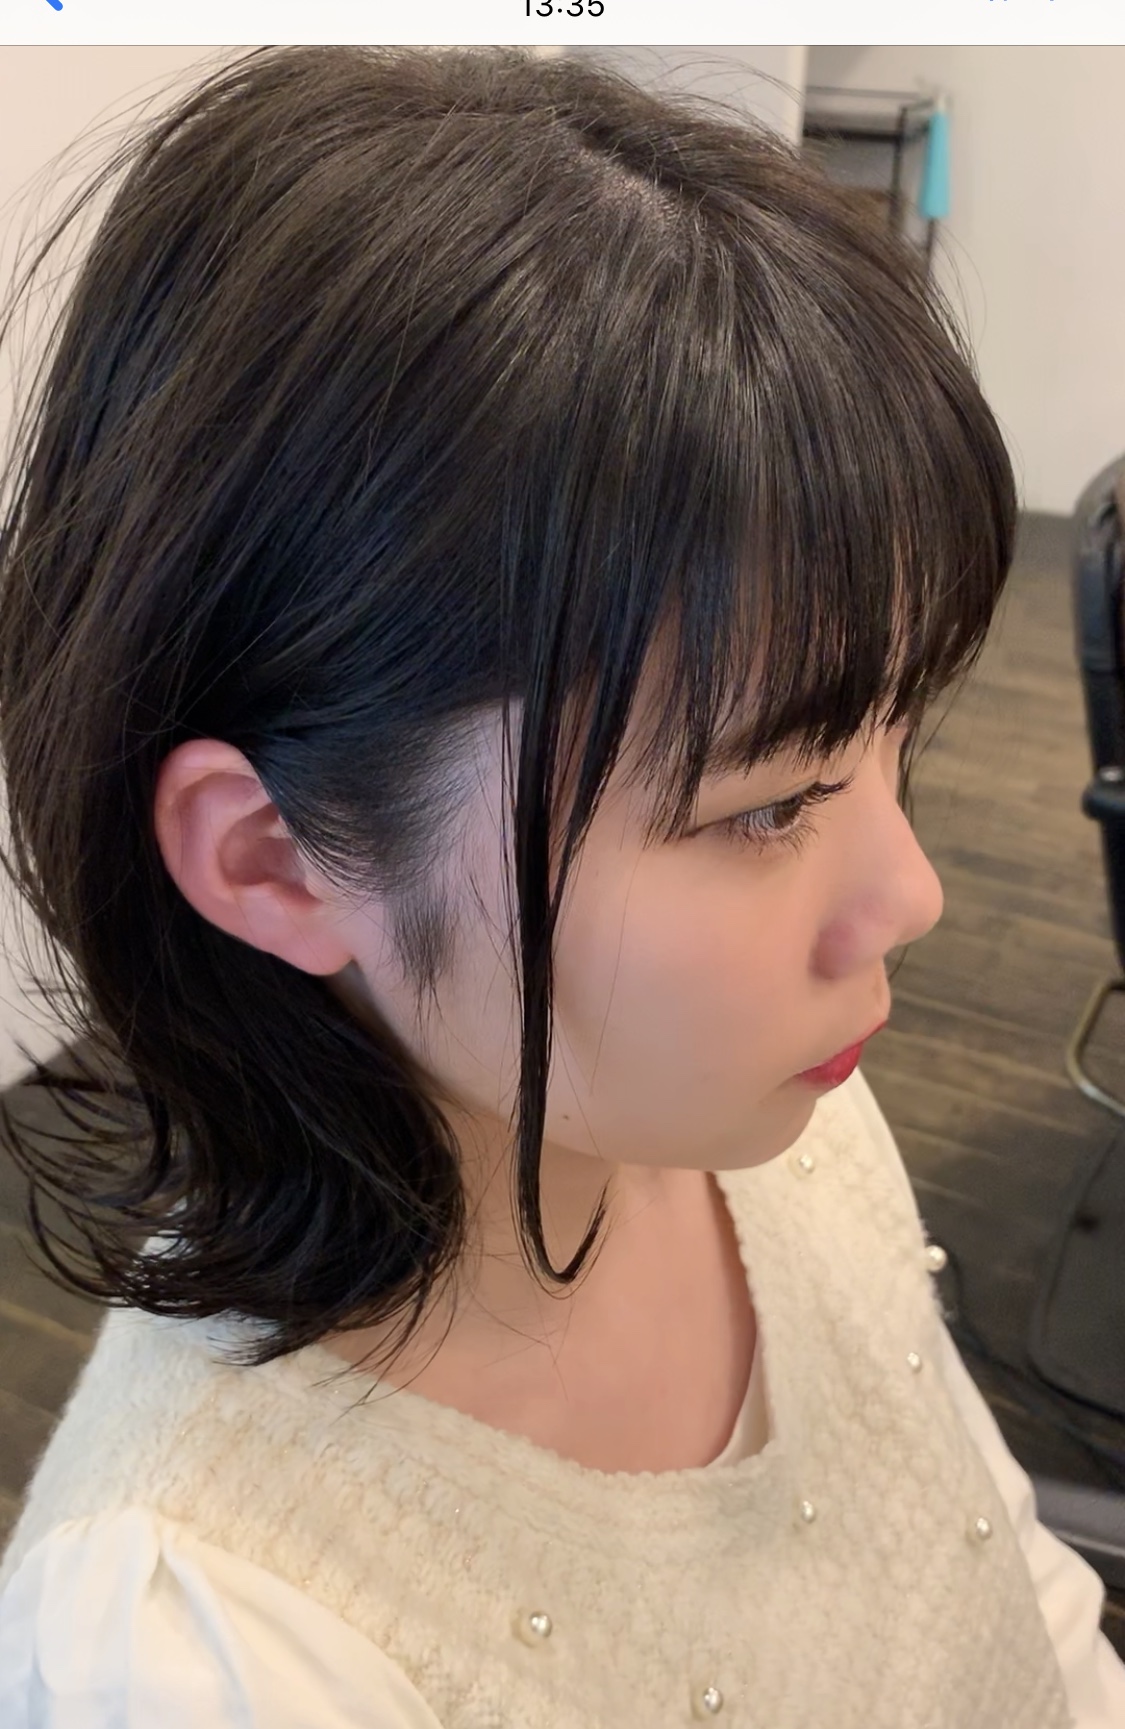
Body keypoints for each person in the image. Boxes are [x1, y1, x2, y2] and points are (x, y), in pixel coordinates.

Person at [0, 43, 1120, 1728]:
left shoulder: (761, 1111)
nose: (906, 894)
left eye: (899, 736)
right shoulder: (201, 1652)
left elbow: (987, 1564)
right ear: (270, 856)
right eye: (768, 806)